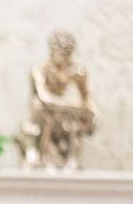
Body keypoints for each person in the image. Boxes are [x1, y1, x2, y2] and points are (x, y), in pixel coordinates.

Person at [17, 31, 97, 170]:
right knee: (40, 108)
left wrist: (92, 113)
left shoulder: (77, 71)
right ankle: (38, 154)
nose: (63, 55)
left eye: (67, 52)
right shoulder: (40, 69)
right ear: (52, 50)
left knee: (75, 119)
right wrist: (74, 105)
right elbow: (44, 98)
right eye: (59, 51)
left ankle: (71, 158)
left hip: (61, 108)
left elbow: (86, 98)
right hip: (43, 108)